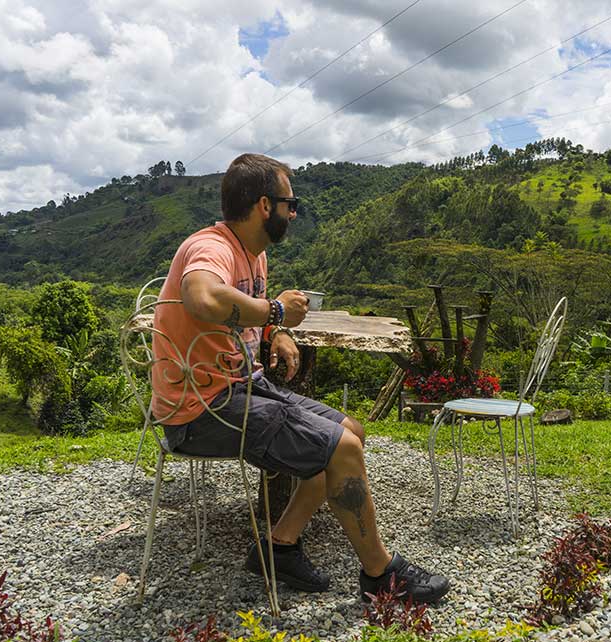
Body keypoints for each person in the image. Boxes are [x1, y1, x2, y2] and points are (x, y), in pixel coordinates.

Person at [151, 153, 449, 604]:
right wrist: (274, 310)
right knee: (341, 449)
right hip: (201, 409)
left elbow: (244, 314)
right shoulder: (211, 248)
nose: (294, 213)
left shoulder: (255, 255)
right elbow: (203, 297)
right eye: (291, 203)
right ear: (264, 205)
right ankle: (380, 574)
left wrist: (276, 331)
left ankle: (277, 547)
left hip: (239, 387)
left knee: (349, 432)